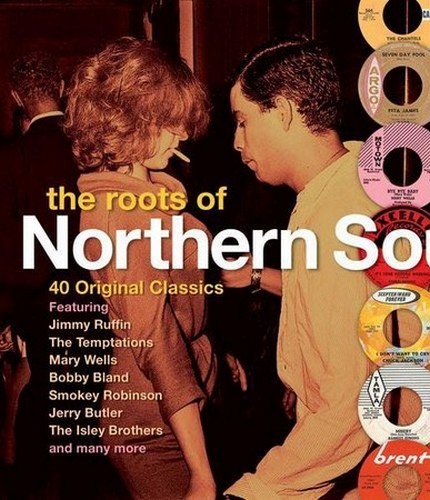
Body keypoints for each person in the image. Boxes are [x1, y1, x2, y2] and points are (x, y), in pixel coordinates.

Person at [224, 37, 430, 499]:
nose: (237, 141)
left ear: (283, 111)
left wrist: (254, 491)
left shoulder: (337, 219)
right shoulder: (350, 179)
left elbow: (351, 408)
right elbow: (344, 302)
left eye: (243, 121)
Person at [64, 37, 217, 500]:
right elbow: (157, 342)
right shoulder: (119, 216)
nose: (182, 135)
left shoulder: (146, 193)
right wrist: (202, 473)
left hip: (177, 408)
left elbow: (176, 302)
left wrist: (211, 353)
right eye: (169, 123)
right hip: (154, 428)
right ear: (130, 123)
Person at [0, 50, 88, 498]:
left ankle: (31, 485)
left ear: (17, 97)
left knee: (41, 393)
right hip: (94, 293)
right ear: (63, 89)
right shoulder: (89, 150)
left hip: (37, 300)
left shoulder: (12, 159)